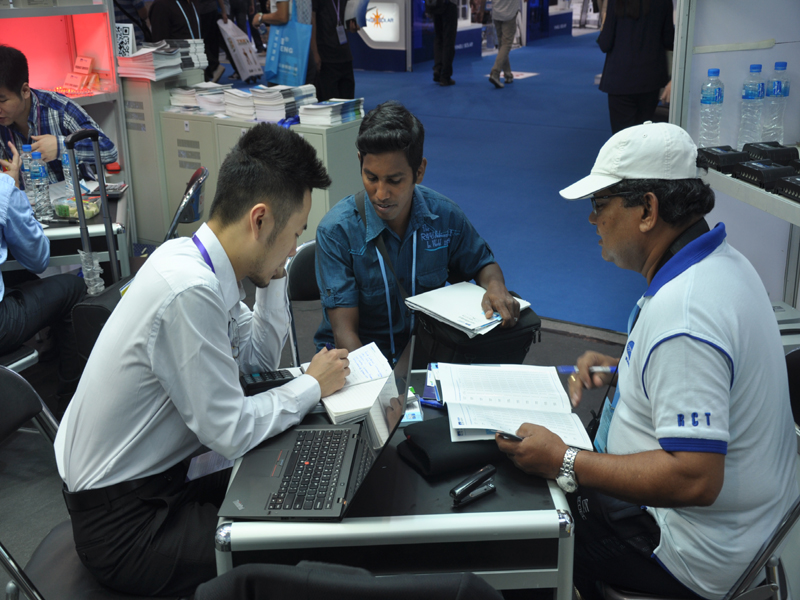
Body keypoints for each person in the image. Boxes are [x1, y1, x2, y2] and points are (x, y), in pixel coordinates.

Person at [496, 122, 799, 600]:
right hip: (741, 534)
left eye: (600, 205)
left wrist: (565, 459)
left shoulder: (686, 315)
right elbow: (704, 376)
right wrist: (630, 373)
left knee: (515, 540)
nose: (591, 219)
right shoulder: (723, 264)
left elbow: (695, 479)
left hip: (686, 553)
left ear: (648, 210)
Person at [54, 123, 351, 597]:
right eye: (295, 233)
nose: (295, 248)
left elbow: (252, 362)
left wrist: (274, 274)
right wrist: (311, 385)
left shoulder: (194, 261)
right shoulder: (189, 290)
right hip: (127, 528)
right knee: (296, 544)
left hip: (153, 487)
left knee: (301, 487)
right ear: (259, 220)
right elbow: (230, 431)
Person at [314, 101, 519, 363]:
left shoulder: (444, 216)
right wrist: (385, 384)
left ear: (419, 171)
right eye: (371, 177)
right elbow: (345, 335)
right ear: (359, 162)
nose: (381, 194)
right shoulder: (336, 232)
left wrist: (496, 286)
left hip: (425, 357)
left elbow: (483, 264)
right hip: (357, 364)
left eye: (394, 180)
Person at [0, 142, 86, 399]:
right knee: (73, 288)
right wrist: (13, 187)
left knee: (19, 277)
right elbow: (38, 259)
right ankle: (70, 402)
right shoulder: (3, 189)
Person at [0, 45, 118, 186]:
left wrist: (62, 147)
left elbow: (109, 150)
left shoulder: (59, 108)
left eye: (2, 101)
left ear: (25, 90)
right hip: (24, 198)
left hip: (75, 196)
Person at [596, 0, 673, 134]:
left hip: (620, 78)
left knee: (622, 138)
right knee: (644, 135)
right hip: (651, 78)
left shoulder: (617, 2)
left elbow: (605, 43)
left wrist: (604, 22)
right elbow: (669, 40)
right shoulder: (664, 2)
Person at [311, 0, 357, 101]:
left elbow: (346, 18)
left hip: (345, 55)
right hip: (325, 57)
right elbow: (312, 19)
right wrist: (314, 52)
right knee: (329, 104)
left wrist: (353, 24)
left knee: (348, 102)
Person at [487, 0, 518, 89]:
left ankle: (508, 74)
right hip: (509, 14)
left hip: (497, 12)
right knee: (506, 44)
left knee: (502, 45)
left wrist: (481, 10)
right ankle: (495, 73)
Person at [431, 0, 458, 86]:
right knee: (448, 39)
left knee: (438, 37)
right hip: (449, 5)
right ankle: (445, 76)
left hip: (435, 5)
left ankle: (438, 69)